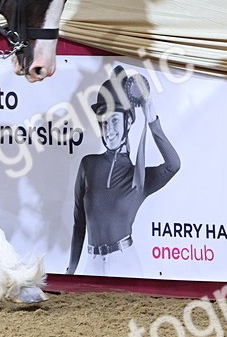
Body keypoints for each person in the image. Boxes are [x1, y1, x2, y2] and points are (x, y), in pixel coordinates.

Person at [66, 65, 181, 275]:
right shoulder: (88, 165)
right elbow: (79, 223)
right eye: (104, 122)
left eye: (115, 121)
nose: (109, 130)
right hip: (91, 264)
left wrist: (151, 118)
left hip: (124, 262)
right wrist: (71, 270)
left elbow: (173, 165)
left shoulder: (140, 177)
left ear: (128, 121)